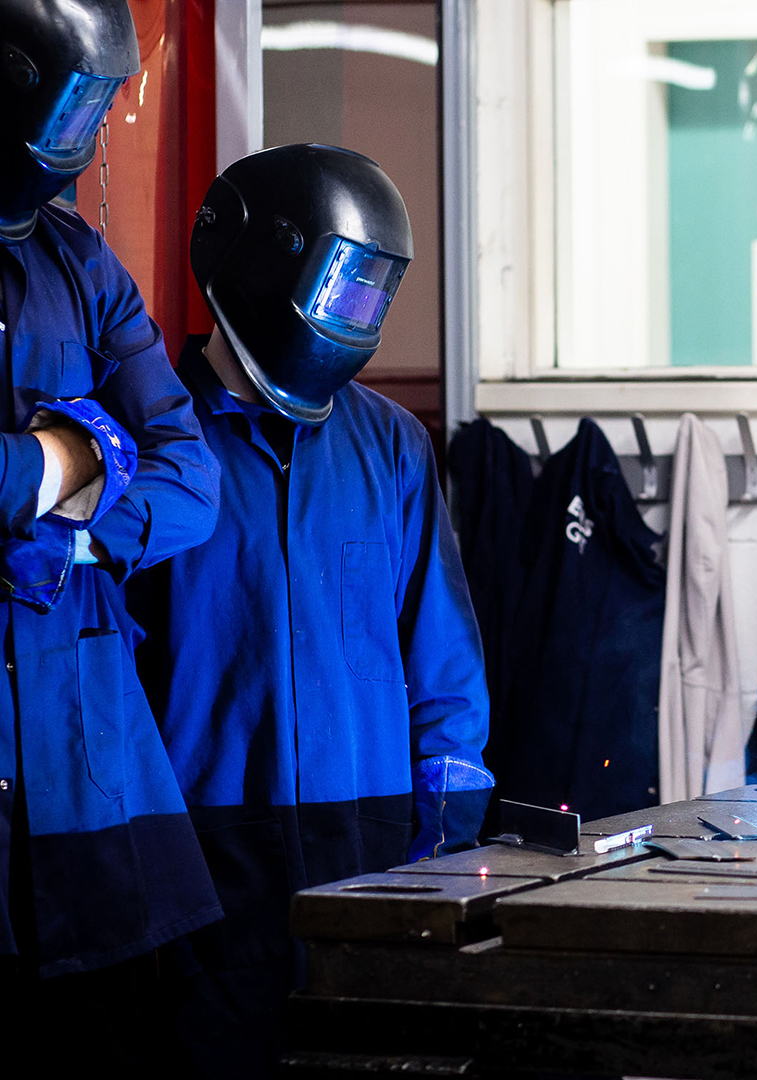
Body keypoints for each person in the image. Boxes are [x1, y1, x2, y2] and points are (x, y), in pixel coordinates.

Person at [129, 144, 493, 1076]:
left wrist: (444, 852)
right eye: (345, 289)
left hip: (369, 859)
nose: (358, 316)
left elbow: (442, 666)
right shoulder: (148, 450)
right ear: (267, 262)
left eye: (376, 296)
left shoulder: (394, 445)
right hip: (198, 877)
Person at [0, 0, 224, 1053]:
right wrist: (70, 453)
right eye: (83, 98)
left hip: (93, 776)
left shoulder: (82, 266)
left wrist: (77, 534)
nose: (96, 130)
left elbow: (191, 477)